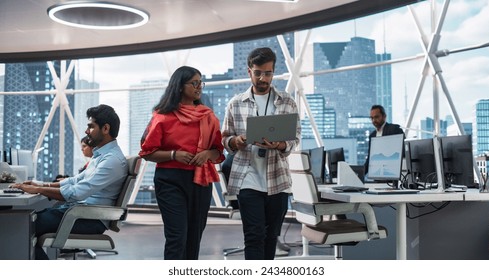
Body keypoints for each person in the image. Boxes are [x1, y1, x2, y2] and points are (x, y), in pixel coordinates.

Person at [12, 104, 128, 259]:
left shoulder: (112, 160)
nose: (87, 131)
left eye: (91, 127)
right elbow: (76, 180)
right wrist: (42, 185)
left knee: (22, 226)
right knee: (27, 222)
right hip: (80, 213)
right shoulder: (102, 156)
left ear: (105, 128)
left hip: (89, 218)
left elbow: (77, 192)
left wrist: (39, 190)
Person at [221, 47, 301, 260]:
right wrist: (235, 141)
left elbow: (295, 140)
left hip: (278, 180)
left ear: (273, 72)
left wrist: (280, 144)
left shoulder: (287, 102)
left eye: (268, 73)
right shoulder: (236, 103)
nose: (263, 78)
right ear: (250, 72)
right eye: (258, 73)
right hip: (248, 179)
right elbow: (224, 139)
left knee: (271, 237)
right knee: (254, 236)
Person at [139, 65, 225, 260]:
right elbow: (147, 152)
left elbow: (218, 152)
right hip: (170, 181)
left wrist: (206, 155)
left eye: (200, 82)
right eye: (194, 83)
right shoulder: (162, 116)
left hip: (200, 182)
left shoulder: (208, 116)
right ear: (179, 86)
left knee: (194, 237)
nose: (199, 87)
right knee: (177, 237)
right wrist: (173, 154)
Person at [364, 104, 404, 174]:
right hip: (377, 174)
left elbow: (401, 153)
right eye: (371, 118)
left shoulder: (394, 130)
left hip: (392, 174)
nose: (373, 120)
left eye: (376, 117)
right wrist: (359, 174)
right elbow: (370, 159)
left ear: (384, 116)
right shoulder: (372, 135)